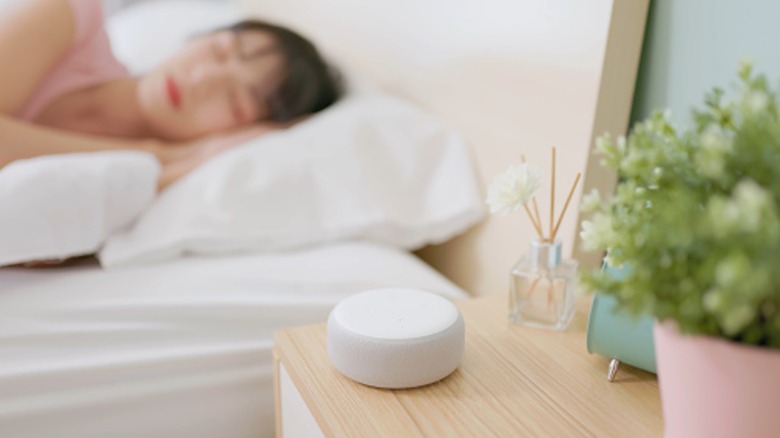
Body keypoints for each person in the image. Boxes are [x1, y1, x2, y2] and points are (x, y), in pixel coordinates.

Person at [0, 0, 342, 189]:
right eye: (220, 51)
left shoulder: (154, 187)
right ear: (200, 36)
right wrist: (157, 153)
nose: (203, 79)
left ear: (236, 132)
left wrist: (171, 168)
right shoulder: (71, 17)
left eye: (236, 101)